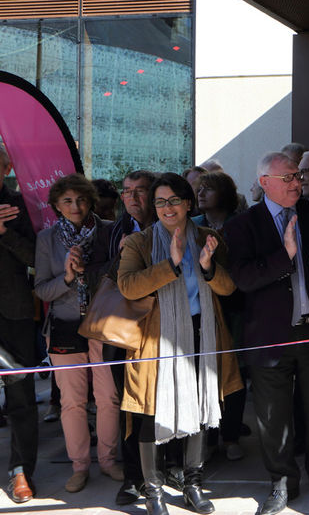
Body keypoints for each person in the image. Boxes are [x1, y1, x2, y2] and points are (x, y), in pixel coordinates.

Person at [117, 173, 243, 515]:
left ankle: (193, 485)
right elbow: (128, 287)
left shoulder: (208, 238)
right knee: (149, 415)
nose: (167, 208)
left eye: (174, 200)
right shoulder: (138, 243)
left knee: (200, 409)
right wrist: (170, 263)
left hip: (202, 333)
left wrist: (206, 266)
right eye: (159, 201)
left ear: (188, 203)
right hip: (154, 340)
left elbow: (229, 288)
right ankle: (154, 494)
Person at [224, 152, 309, 515]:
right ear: (265, 183)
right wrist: (286, 256)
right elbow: (243, 278)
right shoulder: (243, 225)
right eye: (288, 177)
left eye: (298, 177)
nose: (296, 183)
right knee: (273, 415)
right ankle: (282, 481)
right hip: (269, 335)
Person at [33, 174, 121, 493]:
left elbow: (120, 278)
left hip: (104, 326)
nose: (75, 206)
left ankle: (109, 461)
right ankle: (80, 466)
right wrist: (68, 278)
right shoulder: (46, 239)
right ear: (56, 205)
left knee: (109, 398)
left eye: (81, 199)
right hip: (64, 327)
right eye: (67, 200)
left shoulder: (111, 231)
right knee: (72, 402)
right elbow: (42, 289)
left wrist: (92, 275)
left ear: (91, 201)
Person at [107, 169, 156, 505]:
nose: (133, 198)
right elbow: (98, 274)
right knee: (131, 407)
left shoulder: (170, 226)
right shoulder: (113, 231)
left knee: (166, 403)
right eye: (127, 191)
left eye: (140, 191)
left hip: (165, 329)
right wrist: (121, 257)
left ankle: (172, 470)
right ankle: (133, 477)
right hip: (124, 332)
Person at [192, 170, 249, 462]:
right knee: (205, 373)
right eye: (199, 189)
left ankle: (231, 436)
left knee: (233, 372)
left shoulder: (239, 224)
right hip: (202, 307)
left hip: (235, 307)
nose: (201, 194)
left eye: (209, 189)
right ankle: (209, 435)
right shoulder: (193, 225)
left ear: (224, 195)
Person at [0, 146, 38, 503]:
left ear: (7, 166)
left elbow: (36, 259)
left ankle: (20, 472)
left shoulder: (20, 204)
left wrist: (4, 233)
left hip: (13, 313)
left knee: (20, 396)